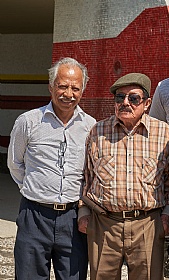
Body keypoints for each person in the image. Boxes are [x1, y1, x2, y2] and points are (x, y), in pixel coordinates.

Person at [78, 73, 169, 280]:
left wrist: (167, 215)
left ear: (147, 103)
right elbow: (86, 177)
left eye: (133, 98)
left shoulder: (164, 134)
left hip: (147, 224)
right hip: (104, 223)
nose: (125, 103)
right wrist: (83, 212)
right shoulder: (97, 131)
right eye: (119, 97)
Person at [7, 57, 95, 279]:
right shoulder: (28, 121)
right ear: (51, 87)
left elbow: (90, 172)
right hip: (34, 216)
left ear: (83, 90)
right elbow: (15, 164)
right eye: (62, 86)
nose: (69, 94)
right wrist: (35, 190)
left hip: (74, 219)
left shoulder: (90, 126)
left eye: (75, 88)